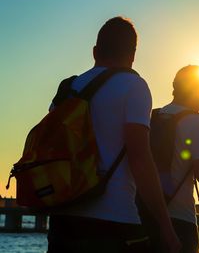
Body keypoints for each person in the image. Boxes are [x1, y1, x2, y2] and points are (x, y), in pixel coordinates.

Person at [47, 17, 180, 253]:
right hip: (113, 221)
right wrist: (165, 225)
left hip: (62, 221)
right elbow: (139, 158)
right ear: (132, 54)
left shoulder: (67, 89)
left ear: (95, 51)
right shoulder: (133, 86)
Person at [148, 65, 199, 253]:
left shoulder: (152, 117)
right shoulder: (197, 122)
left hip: (145, 215)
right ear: (197, 91)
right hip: (180, 220)